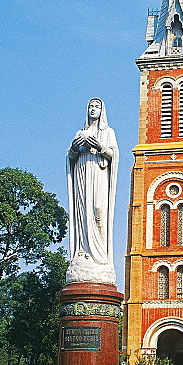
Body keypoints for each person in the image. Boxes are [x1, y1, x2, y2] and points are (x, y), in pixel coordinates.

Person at [66, 98, 119, 285]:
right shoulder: (80, 132)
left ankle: (100, 255)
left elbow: (113, 155)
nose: (93, 109)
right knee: (83, 213)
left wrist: (99, 147)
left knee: (98, 210)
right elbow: (70, 157)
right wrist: (74, 147)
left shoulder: (107, 132)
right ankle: (83, 251)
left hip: (98, 173)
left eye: (96, 106)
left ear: (102, 110)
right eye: (90, 106)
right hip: (82, 172)